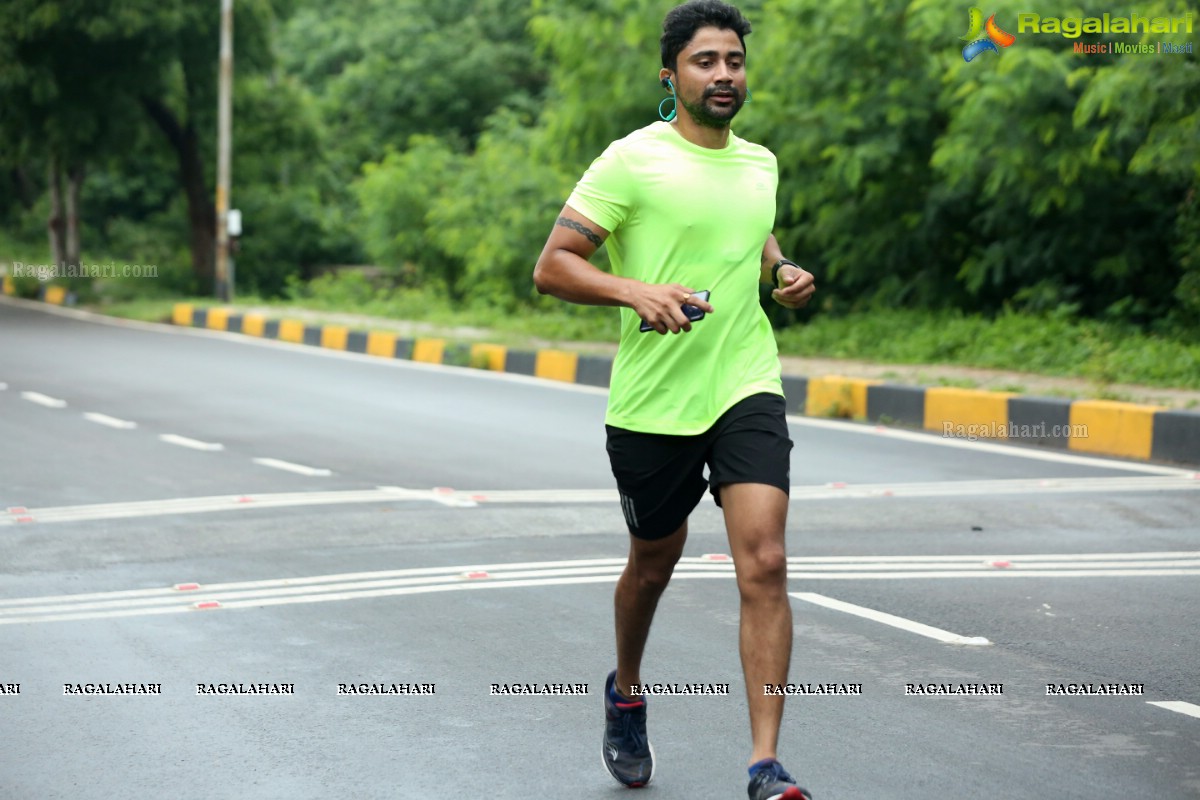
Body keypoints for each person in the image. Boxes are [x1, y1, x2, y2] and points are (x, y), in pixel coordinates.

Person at [532, 1, 816, 798]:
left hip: (744, 382)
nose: (723, 74)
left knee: (765, 559)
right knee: (653, 563)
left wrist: (781, 273)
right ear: (672, 75)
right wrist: (633, 291)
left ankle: (764, 764)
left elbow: (750, 234)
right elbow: (553, 266)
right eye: (705, 61)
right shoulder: (630, 161)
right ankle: (626, 690)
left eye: (733, 60)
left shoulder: (759, 163)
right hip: (654, 401)